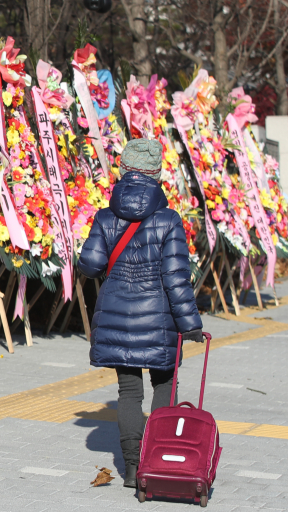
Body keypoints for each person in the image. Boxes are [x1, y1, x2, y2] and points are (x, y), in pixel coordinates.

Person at [76, 138, 204, 489]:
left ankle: (132, 467)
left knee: (129, 393)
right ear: (157, 174)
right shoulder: (169, 220)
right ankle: (157, 459)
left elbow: (90, 265)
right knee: (165, 384)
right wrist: (191, 324)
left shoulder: (105, 216)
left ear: (124, 171)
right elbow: (176, 279)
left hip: (117, 317)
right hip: (159, 322)